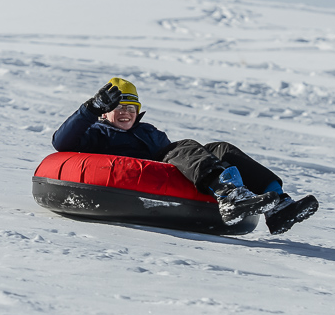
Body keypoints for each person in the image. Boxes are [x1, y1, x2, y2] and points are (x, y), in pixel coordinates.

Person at [51, 78, 319, 233]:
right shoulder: (96, 132)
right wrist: (90, 109)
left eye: (132, 108)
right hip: (123, 177)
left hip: (164, 169)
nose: (126, 113)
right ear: (105, 112)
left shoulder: (149, 132)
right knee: (184, 146)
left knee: (221, 148)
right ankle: (229, 196)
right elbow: (61, 142)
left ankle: (278, 206)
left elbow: (177, 159)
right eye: (119, 107)